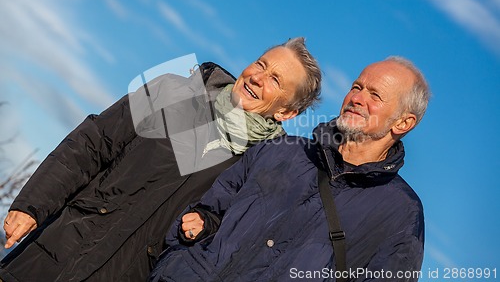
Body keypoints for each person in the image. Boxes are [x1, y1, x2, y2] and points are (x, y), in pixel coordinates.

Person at [0, 37, 322, 282]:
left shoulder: (260, 170)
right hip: (53, 252)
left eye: (276, 80)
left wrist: (205, 226)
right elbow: (93, 142)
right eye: (261, 64)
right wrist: (34, 204)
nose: (256, 77)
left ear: (286, 112)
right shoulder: (174, 90)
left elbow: (229, 238)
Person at [149, 56, 430, 282]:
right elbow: (209, 208)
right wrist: (197, 229)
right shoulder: (281, 149)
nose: (357, 98)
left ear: (403, 123)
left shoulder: (402, 213)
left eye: (375, 95)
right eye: (357, 87)